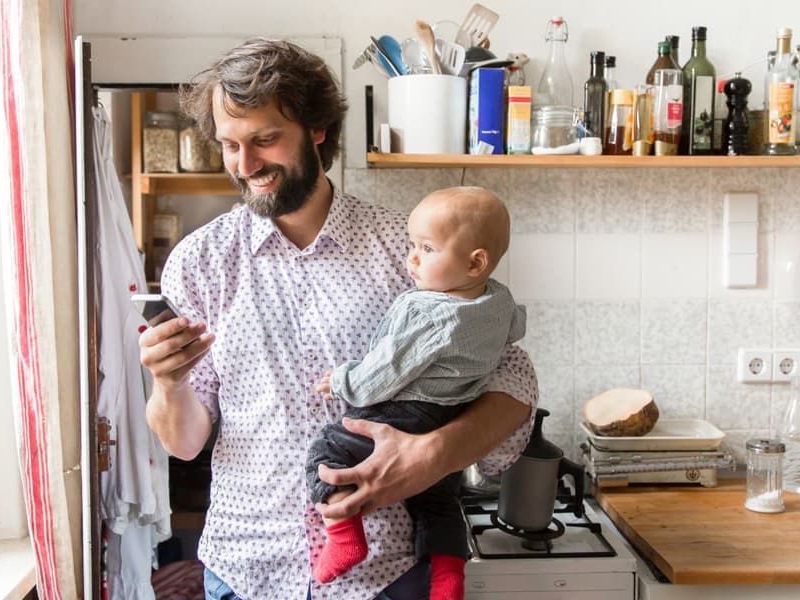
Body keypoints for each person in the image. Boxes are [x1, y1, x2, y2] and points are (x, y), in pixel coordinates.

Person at [139, 37, 538, 600]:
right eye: (230, 145)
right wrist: (167, 382)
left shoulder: (408, 250)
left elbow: (513, 374)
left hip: (386, 571)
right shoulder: (201, 262)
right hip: (248, 567)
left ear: (318, 129)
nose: (246, 165)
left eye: (265, 140)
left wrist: (433, 455)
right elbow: (183, 441)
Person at [306, 186, 526, 600]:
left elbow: (386, 372)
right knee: (437, 499)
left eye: (426, 248)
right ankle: (448, 578)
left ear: (475, 262)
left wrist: (342, 380)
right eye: (412, 245)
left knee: (326, 451)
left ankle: (344, 534)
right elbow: (515, 329)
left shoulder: (427, 313)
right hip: (453, 412)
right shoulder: (499, 299)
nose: (412, 258)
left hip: (406, 412)